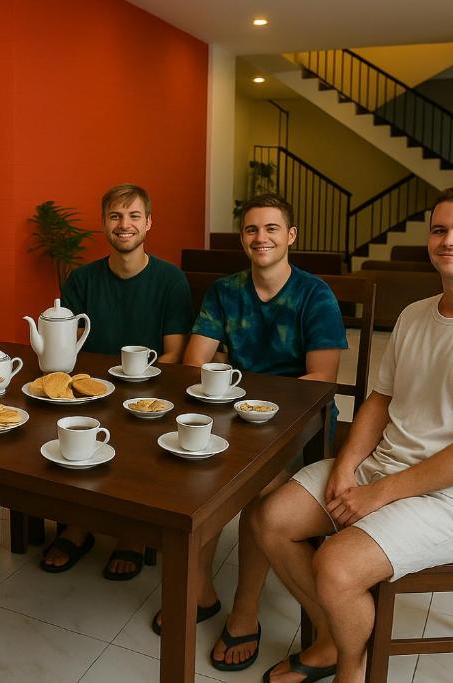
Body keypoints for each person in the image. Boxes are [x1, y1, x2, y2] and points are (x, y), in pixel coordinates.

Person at [254, 183, 453, 683]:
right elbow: (379, 401)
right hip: (388, 468)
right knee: (272, 519)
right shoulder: (416, 315)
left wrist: (377, 494)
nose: (449, 241)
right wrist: (348, 468)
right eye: (440, 230)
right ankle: (332, 640)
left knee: (337, 566)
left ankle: (354, 666)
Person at [169, 193, 347, 671]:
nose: (260, 238)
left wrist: (235, 372)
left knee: (259, 492)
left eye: (271, 228)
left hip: (300, 425)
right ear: (243, 239)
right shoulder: (226, 291)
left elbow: (323, 379)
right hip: (237, 416)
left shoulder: (315, 295)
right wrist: (231, 374)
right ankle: (201, 589)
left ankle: (245, 613)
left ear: (290, 236)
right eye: (251, 230)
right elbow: (193, 363)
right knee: (196, 468)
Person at [40, 183, 193, 580]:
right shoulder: (82, 280)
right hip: (90, 391)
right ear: (104, 224)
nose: (124, 224)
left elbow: (174, 353)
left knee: (136, 433)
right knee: (61, 430)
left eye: (133, 216)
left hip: (148, 393)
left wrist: (135, 390)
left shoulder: (171, 280)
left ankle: (130, 533)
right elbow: (65, 349)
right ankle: (79, 523)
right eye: (115, 216)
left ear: (148, 224)